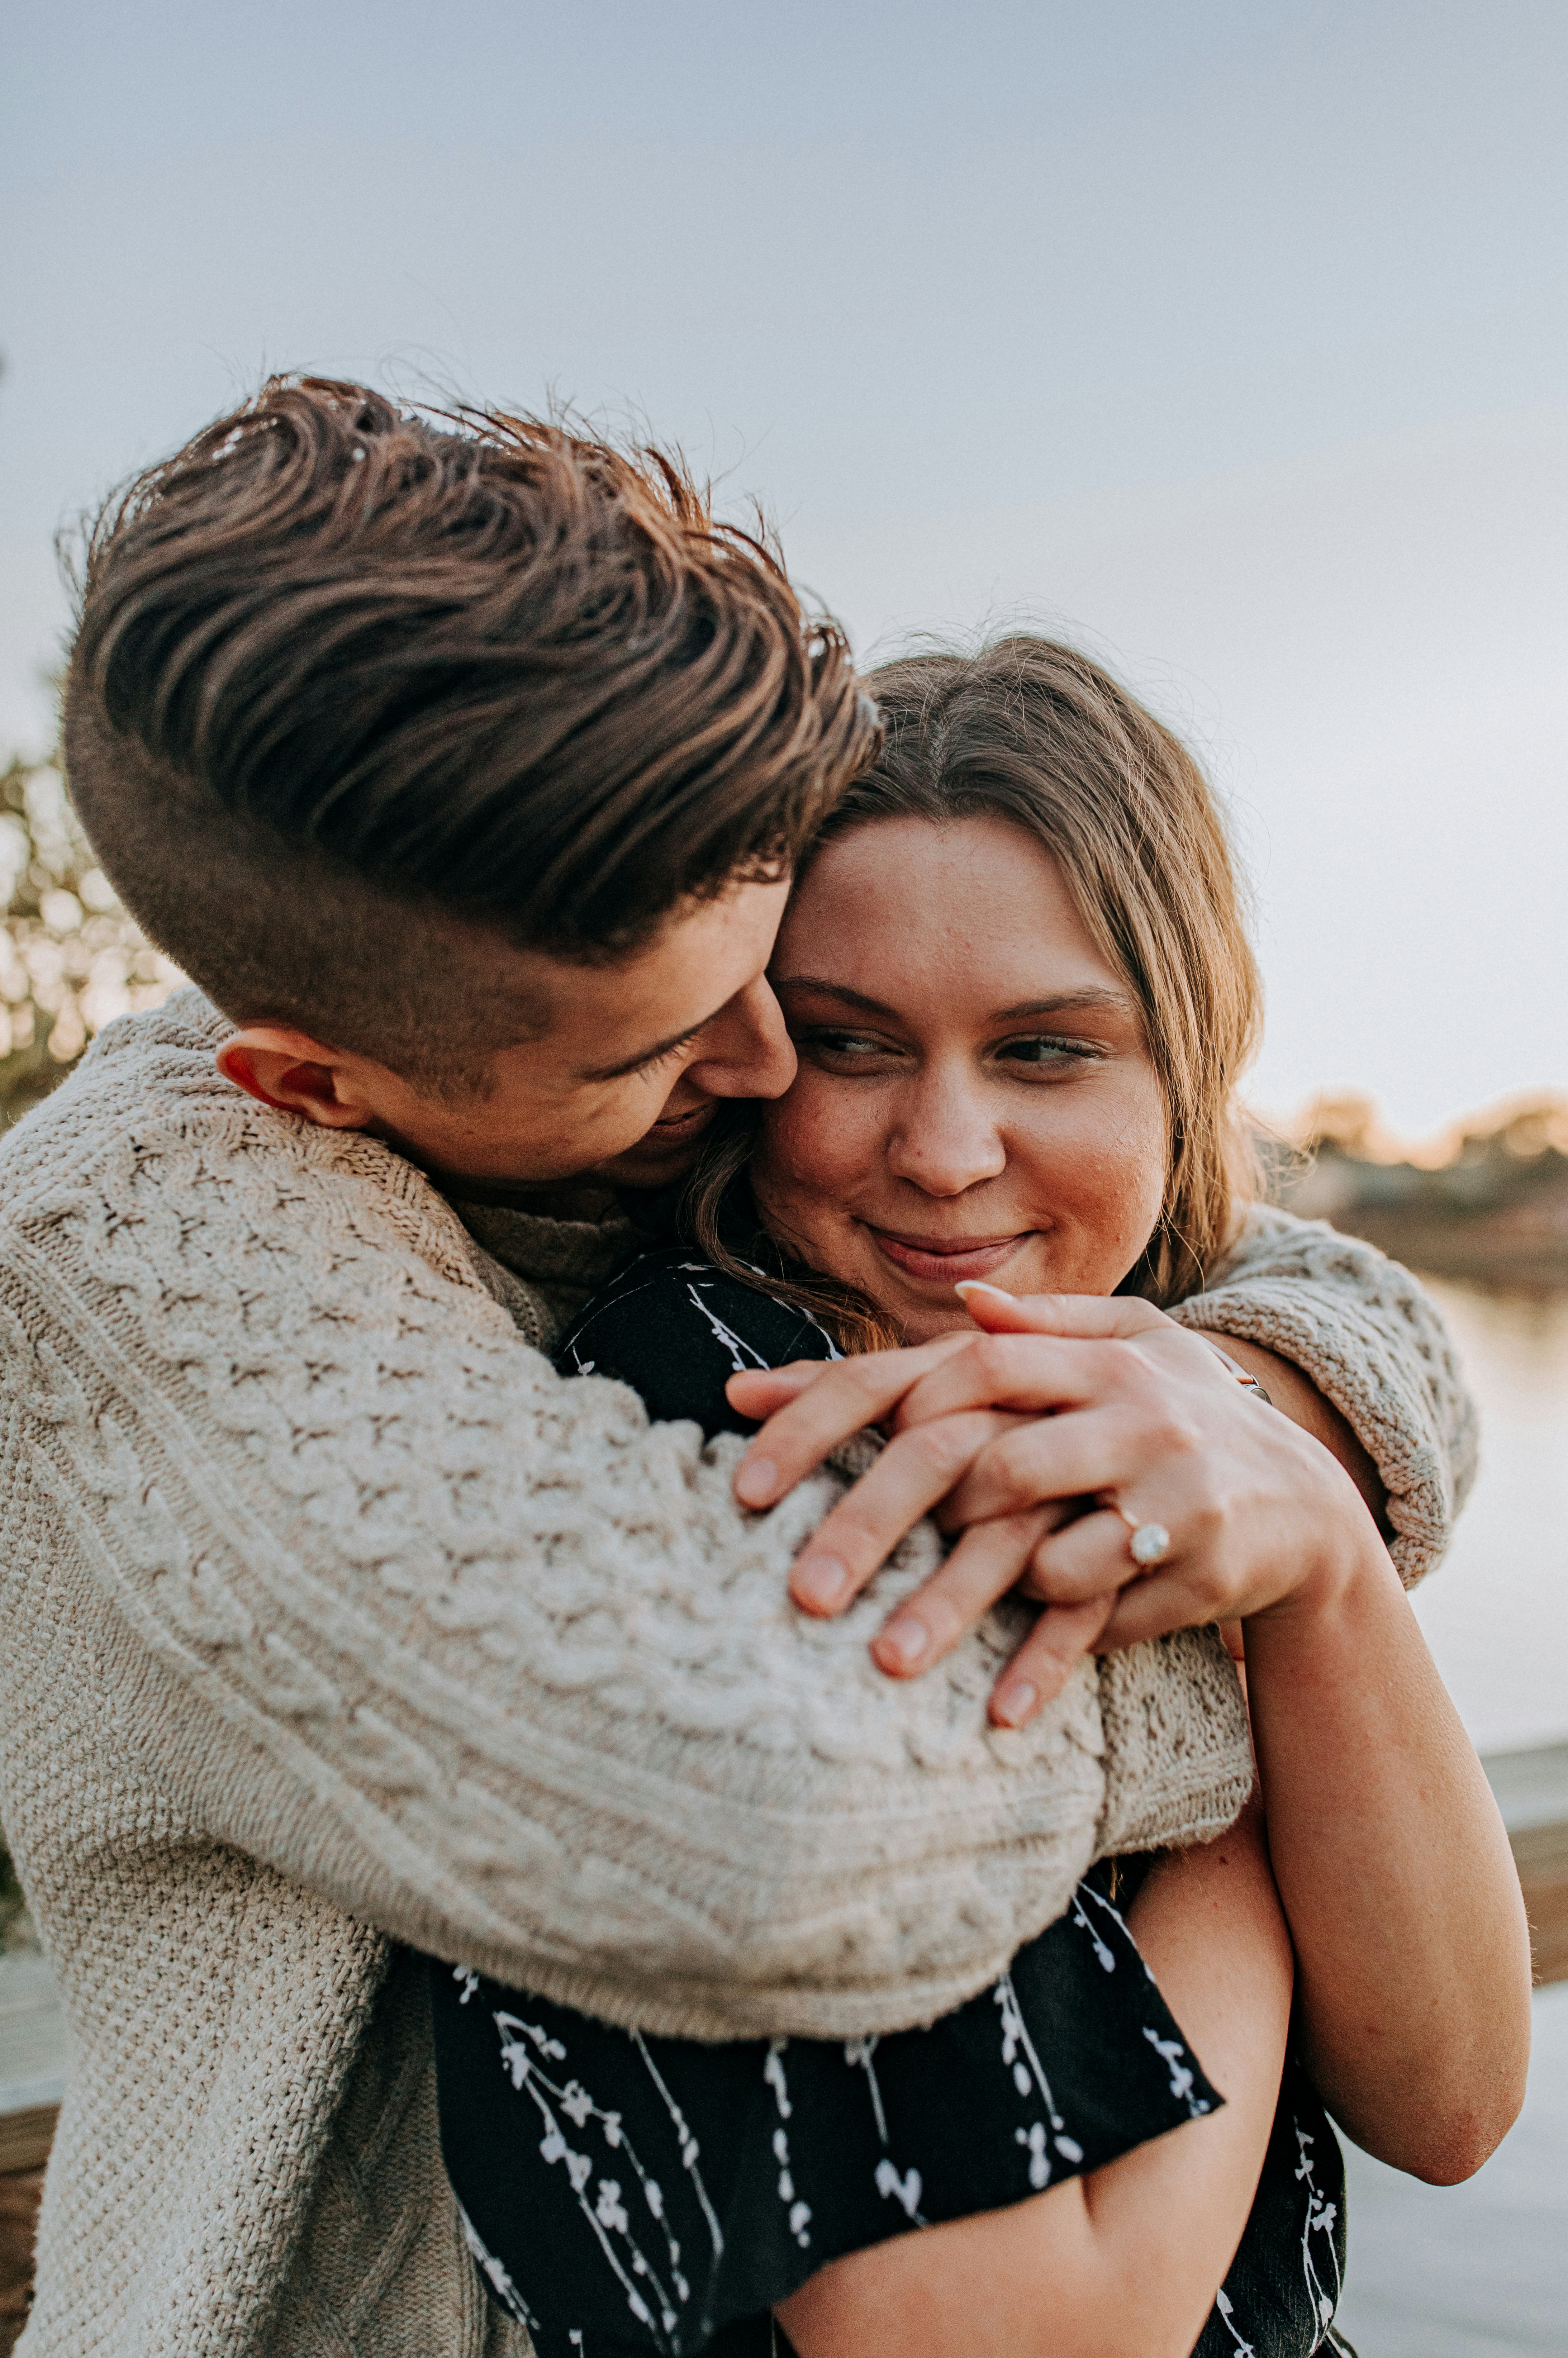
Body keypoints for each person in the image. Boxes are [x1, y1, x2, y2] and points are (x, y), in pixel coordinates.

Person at [0, 380, 1490, 2358]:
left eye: (1051, 1050)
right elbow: (776, 1817)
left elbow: (1456, 2105)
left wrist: (1296, 1471)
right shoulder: (283, 1273)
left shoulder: (1121, 1378)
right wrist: (1230, 1651)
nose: (820, 1100)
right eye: (812, 1032)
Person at [435, 637, 1530, 2355]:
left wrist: (1320, 1562)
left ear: (1187, 1070)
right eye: (852, 1047)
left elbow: (1453, 2103)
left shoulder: (1186, 1391)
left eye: (1042, 1052)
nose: (944, 1153)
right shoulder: (714, 1414)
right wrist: (1245, 1797)